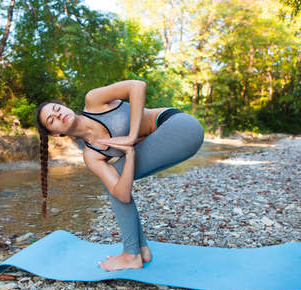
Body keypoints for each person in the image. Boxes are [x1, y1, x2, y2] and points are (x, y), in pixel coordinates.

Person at [36, 80, 204, 271]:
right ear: (55, 134)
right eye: (52, 120)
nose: (58, 114)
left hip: (179, 126)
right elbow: (122, 194)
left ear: (63, 105)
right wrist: (130, 155)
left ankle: (132, 254)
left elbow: (137, 86)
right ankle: (140, 250)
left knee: (115, 178)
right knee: (114, 185)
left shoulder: (93, 101)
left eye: (56, 108)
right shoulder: (91, 155)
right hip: (176, 142)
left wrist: (131, 137)